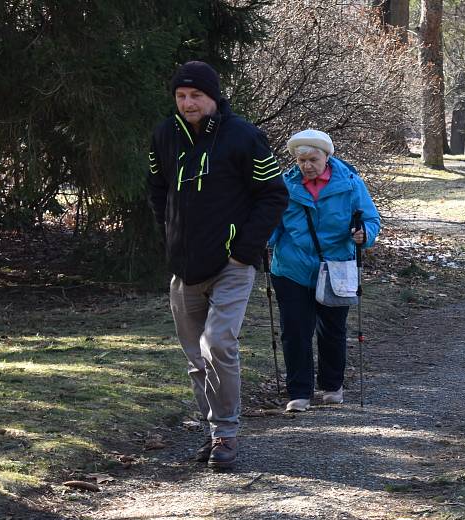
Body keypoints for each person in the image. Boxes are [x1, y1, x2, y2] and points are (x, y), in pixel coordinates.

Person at [147, 61, 288, 468]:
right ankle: (213, 432)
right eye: (181, 96)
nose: (188, 103)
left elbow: (273, 196)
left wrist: (243, 251)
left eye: (196, 96)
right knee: (196, 358)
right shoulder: (163, 135)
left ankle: (226, 433)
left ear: (213, 97)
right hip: (184, 268)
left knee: (218, 344)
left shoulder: (244, 136)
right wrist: (170, 237)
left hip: (232, 265)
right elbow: (157, 190)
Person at [269, 129, 380, 412]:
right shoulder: (283, 186)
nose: (306, 165)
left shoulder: (351, 184)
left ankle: (332, 386)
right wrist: (258, 237)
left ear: (326, 157)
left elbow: (370, 218)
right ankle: (299, 393)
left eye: (312, 159)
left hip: (336, 267)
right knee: (295, 331)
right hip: (292, 268)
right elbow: (271, 225)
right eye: (301, 160)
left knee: (332, 330)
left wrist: (363, 234)